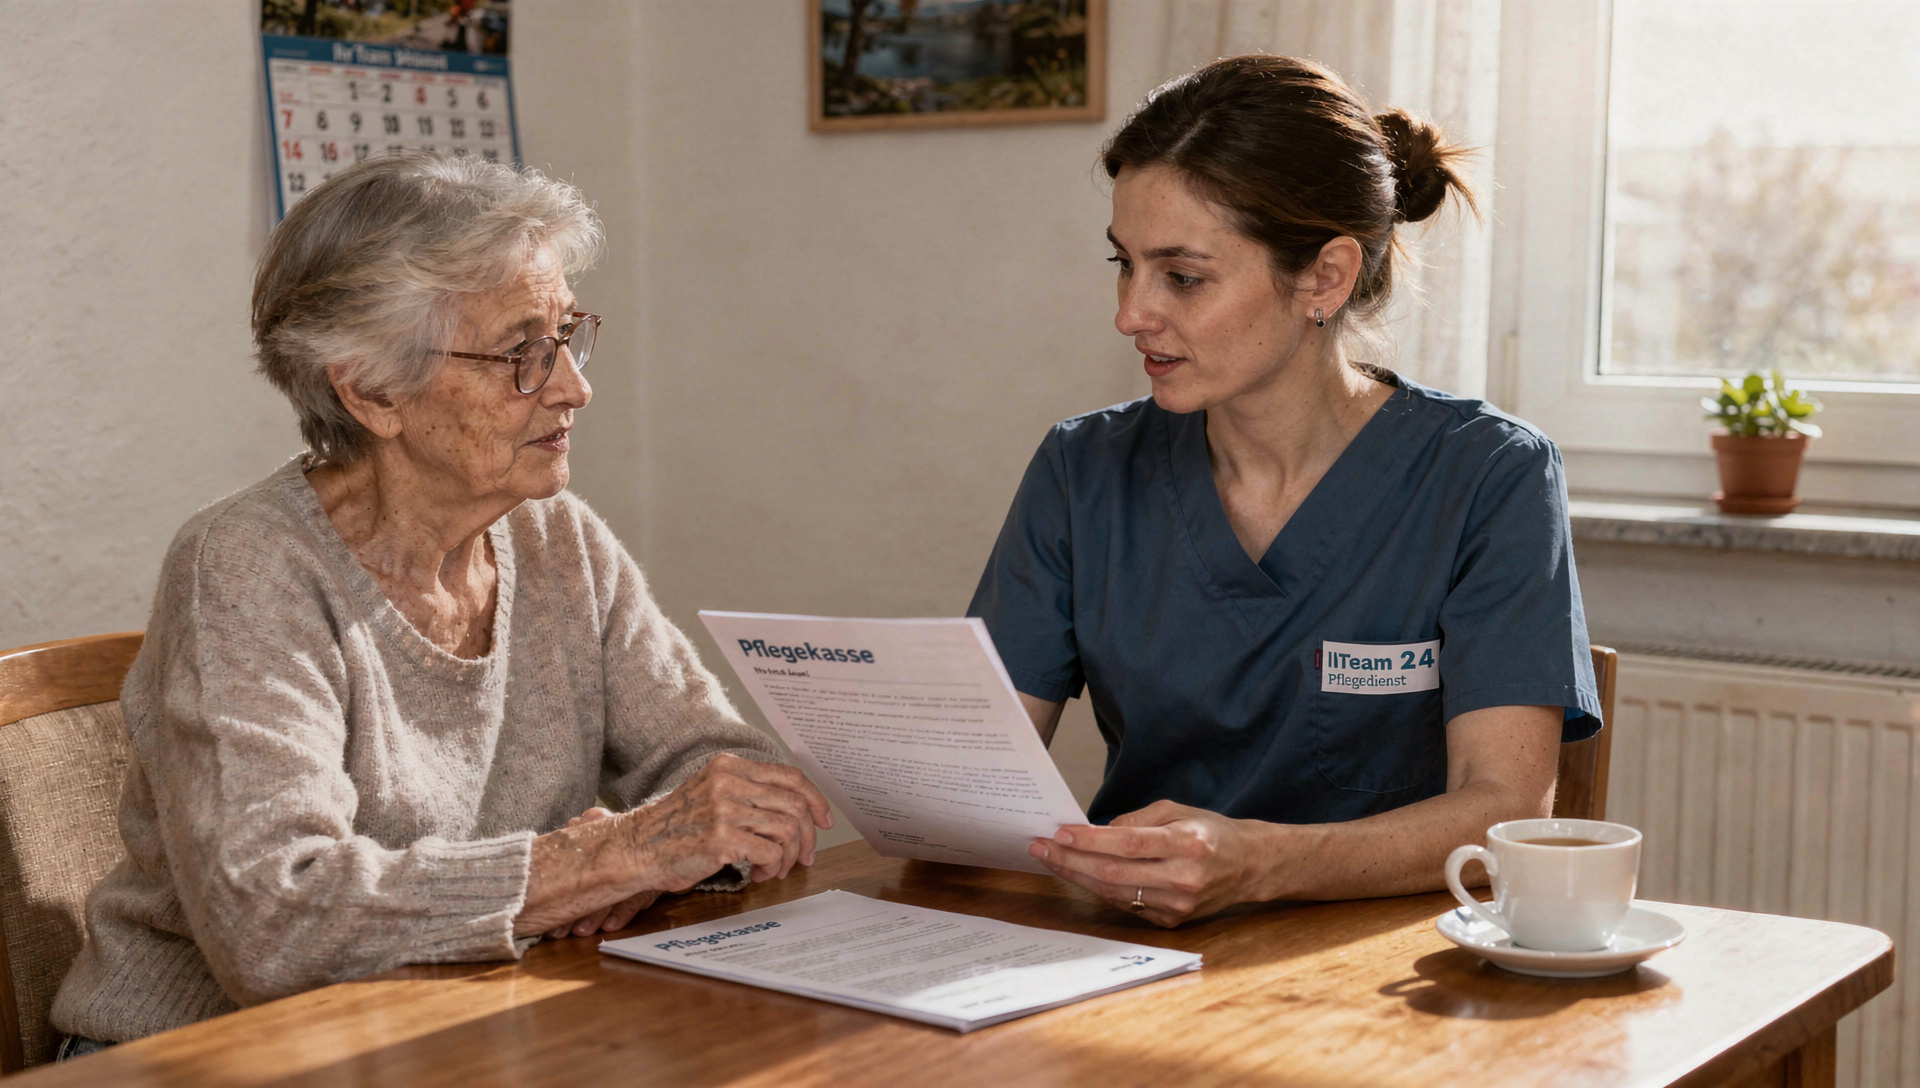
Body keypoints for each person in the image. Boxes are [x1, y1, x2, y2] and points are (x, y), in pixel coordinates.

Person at [51, 152, 832, 1050]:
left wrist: (642, 860)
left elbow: (724, 775)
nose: (576, 387)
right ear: (372, 391)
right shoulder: (244, 567)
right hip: (212, 1057)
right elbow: (275, 919)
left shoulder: (557, 539)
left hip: (470, 1027)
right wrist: (591, 863)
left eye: (569, 336)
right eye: (521, 354)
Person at [968, 56, 1602, 928]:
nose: (1130, 313)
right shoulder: (1083, 470)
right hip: (1132, 955)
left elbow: (1504, 814)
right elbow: (973, 772)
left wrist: (1262, 865)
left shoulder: (1489, 475)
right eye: (1125, 265)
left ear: (1325, 278)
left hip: (1387, 974)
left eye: (1182, 277)